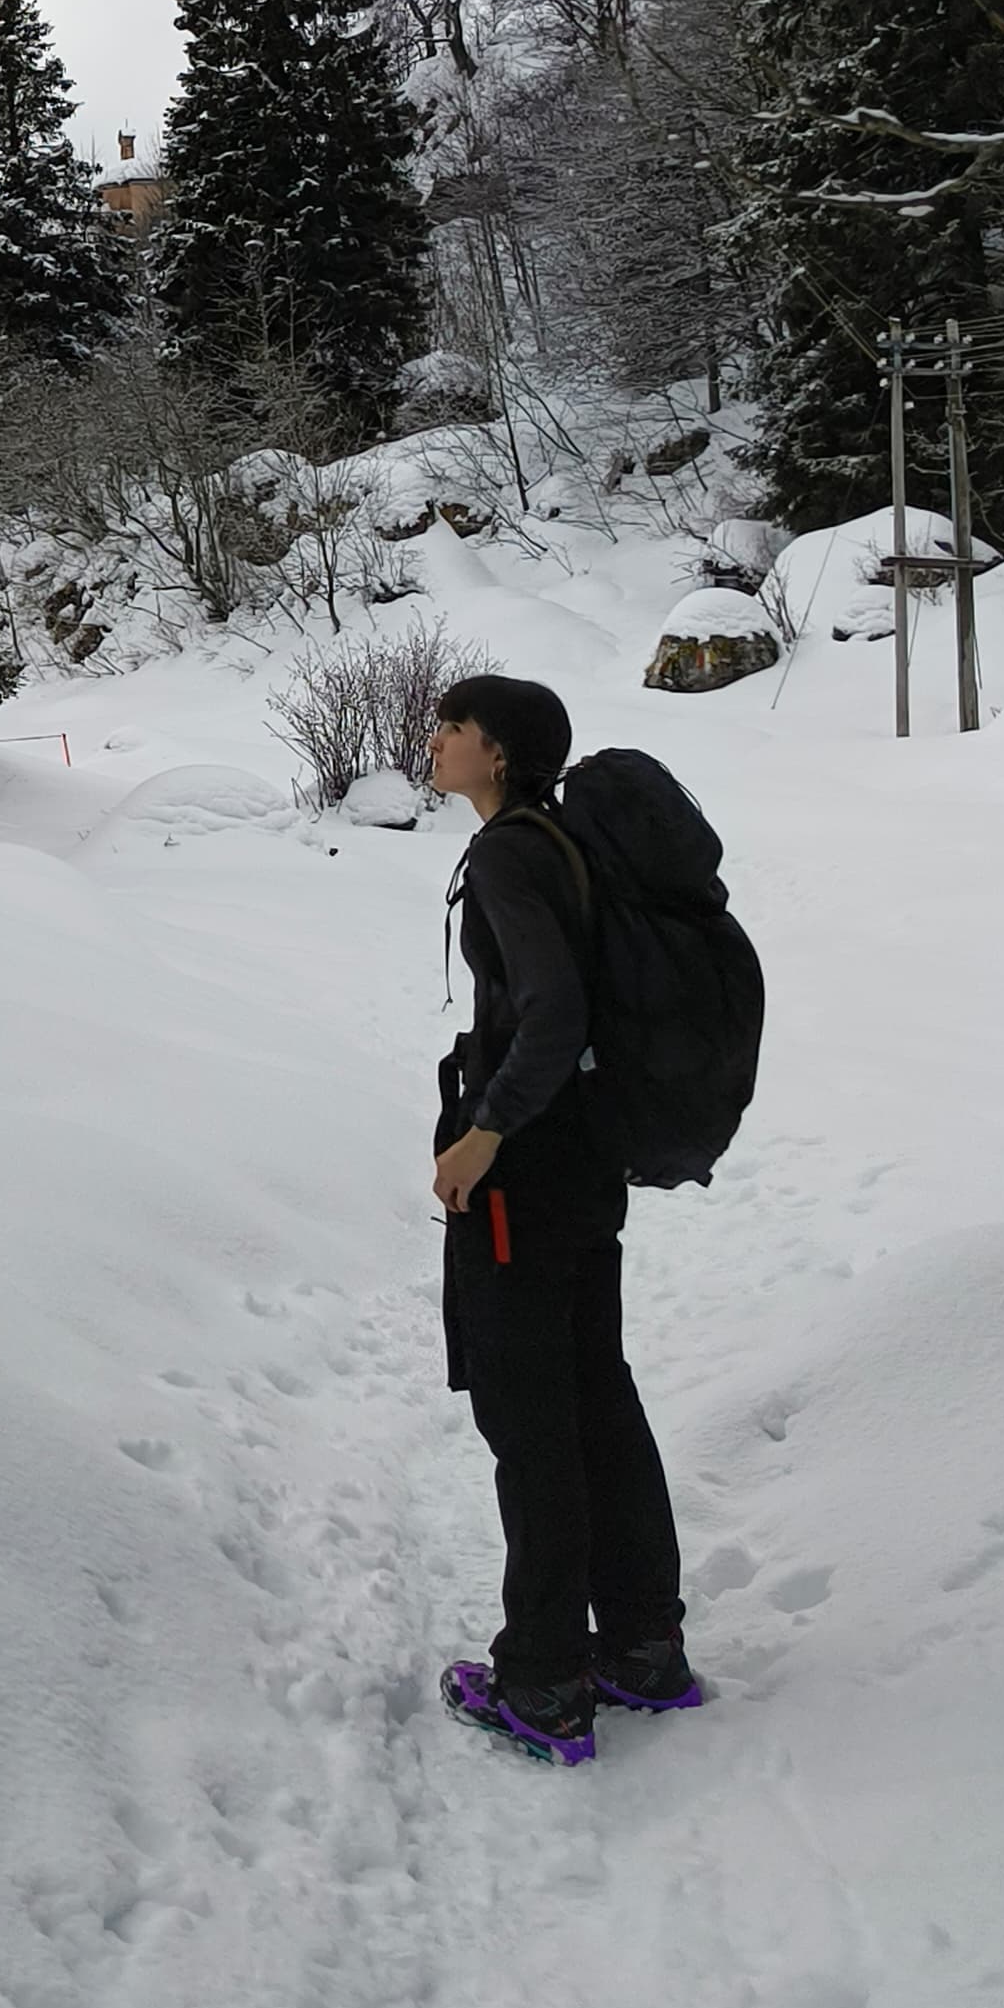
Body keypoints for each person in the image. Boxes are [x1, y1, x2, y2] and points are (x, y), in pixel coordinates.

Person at [424, 670, 703, 1766]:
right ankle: (643, 1646)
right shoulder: (562, 841)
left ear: (498, 752)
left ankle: (541, 1678)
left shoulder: (506, 853)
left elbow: (554, 1008)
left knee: (531, 1417)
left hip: (525, 1182)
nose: (436, 738)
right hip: (585, 1166)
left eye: (453, 726)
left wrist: (483, 1133)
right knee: (596, 1396)